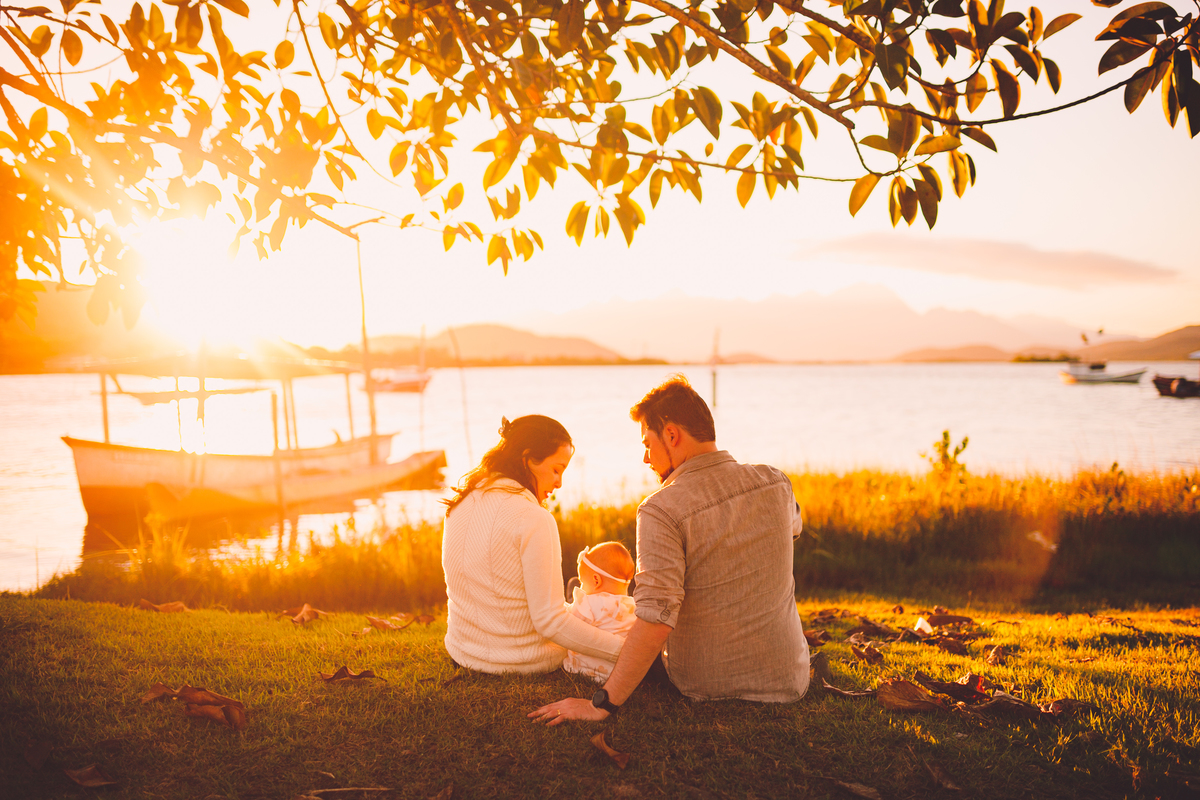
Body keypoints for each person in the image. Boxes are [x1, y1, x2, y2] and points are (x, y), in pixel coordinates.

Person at [530, 376, 809, 725]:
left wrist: (600, 704)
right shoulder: (775, 482)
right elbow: (792, 532)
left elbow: (656, 619)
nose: (646, 457)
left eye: (648, 443)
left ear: (672, 435)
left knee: (583, 584)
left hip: (704, 683)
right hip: (789, 679)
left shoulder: (660, 509)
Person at [441, 415, 624, 674]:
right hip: (520, 660)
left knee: (578, 587)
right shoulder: (533, 518)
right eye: (556, 469)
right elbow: (550, 622)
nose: (559, 483)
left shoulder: (459, 504)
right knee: (609, 592)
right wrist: (626, 650)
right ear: (528, 459)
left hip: (464, 652)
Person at [562, 542, 638, 682]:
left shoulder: (590, 604)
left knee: (573, 601)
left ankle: (570, 594)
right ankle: (571, 591)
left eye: (582, 583)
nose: (582, 586)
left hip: (585, 670)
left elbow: (565, 621)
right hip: (616, 676)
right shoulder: (633, 607)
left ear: (596, 580)